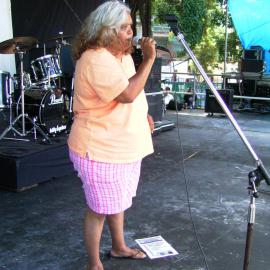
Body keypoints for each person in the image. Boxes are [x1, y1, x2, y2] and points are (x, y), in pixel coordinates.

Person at [67, 1, 156, 270]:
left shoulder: (123, 56)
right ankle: (93, 264)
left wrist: (144, 116)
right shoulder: (95, 58)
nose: (131, 33)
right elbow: (126, 94)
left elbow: (132, 91)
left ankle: (118, 247)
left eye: (131, 27)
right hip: (100, 148)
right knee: (99, 209)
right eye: (124, 28)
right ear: (106, 30)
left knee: (117, 202)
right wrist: (149, 58)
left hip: (124, 146)